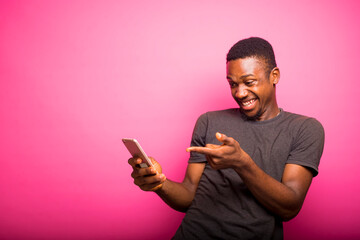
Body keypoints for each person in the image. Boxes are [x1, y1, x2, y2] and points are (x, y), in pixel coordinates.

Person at [128, 37, 325, 239]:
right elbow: (188, 195)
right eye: (232, 84)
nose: (239, 93)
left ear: (274, 76)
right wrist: (159, 183)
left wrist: (242, 163)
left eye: (249, 82)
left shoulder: (305, 129)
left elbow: (289, 207)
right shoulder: (208, 121)